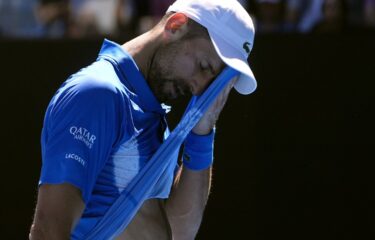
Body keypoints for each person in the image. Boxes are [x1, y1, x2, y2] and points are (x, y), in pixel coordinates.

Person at [29, 0, 257, 239]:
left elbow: (179, 232)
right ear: (176, 25)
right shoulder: (98, 93)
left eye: (212, 83)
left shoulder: (151, 115)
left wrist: (201, 132)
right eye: (203, 66)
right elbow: (48, 230)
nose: (199, 87)